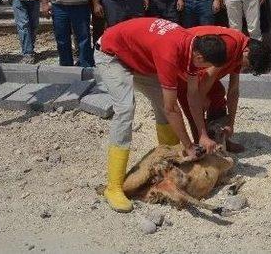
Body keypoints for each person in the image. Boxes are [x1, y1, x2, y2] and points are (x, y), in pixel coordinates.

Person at [95, 17, 226, 212]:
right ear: (199, 58)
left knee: (161, 103)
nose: (206, 71)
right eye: (206, 66)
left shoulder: (192, 45)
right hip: (112, 55)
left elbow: (192, 96)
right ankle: (113, 187)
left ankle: (169, 157)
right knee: (125, 109)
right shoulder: (170, 53)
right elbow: (172, 108)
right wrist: (190, 146)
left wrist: (202, 135)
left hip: (140, 59)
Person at [176, 25, 271, 153]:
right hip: (183, 69)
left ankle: (221, 141)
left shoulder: (240, 51)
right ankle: (201, 145)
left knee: (217, 95)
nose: (245, 69)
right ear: (247, 51)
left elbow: (233, 91)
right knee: (194, 110)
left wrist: (230, 123)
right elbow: (208, 77)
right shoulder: (230, 45)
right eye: (248, 66)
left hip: (200, 73)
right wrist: (200, 100)